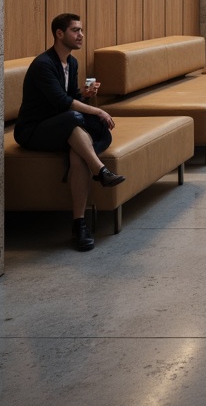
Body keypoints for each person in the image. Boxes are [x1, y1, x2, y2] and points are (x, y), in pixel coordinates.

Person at [14, 13, 124, 251]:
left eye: (82, 30)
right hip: (33, 130)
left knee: (79, 151)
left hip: (61, 125)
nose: (81, 35)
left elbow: (71, 98)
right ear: (59, 34)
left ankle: (79, 223)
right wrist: (97, 111)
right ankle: (101, 170)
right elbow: (62, 103)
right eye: (75, 30)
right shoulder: (43, 64)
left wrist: (84, 96)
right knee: (79, 120)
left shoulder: (71, 62)